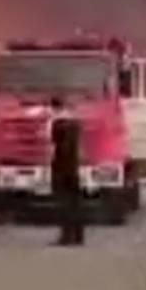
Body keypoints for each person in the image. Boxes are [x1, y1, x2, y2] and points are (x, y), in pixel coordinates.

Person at [50, 95, 85, 245]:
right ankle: (78, 235)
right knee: (75, 203)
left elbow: (58, 147)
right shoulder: (75, 124)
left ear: (54, 108)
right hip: (74, 168)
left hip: (62, 169)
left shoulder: (58, 125)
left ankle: (66, 236)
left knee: (64, 204)